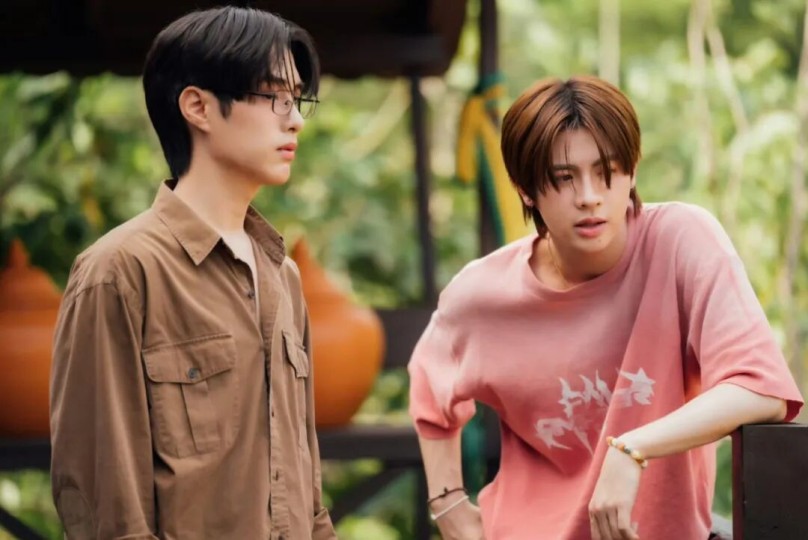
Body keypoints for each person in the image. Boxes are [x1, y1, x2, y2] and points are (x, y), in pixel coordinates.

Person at [408, 75, 804, 540]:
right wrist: (448, 504)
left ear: (631, 171)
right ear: (525, 189)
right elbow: (430, 389)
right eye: (564, 178)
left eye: (606, 171)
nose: (589, 196)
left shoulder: (679, 242)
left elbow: (762, 389)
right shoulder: (481, 294)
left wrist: (631, 449)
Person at [49, 7, 336, 539]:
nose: (294, 119)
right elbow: (103, 507)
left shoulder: (283, 275)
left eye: (298, 100)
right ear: (198, 107)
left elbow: (307, 488)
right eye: (274, 96)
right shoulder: (119, 273)